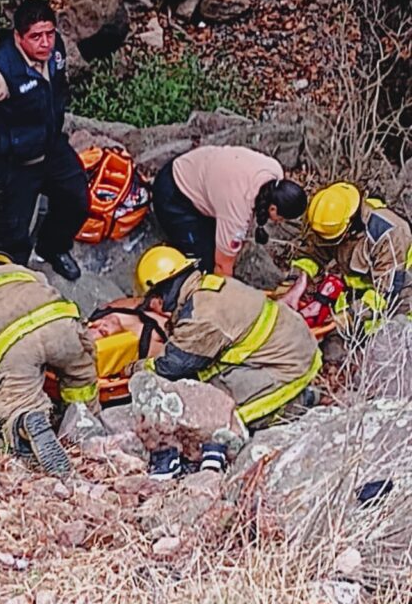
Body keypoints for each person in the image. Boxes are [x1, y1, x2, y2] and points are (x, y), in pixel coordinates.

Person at [133, 245, 322, 476]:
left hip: (287, 363)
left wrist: (139, 369)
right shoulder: (208, 287)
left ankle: (297, 402)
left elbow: (174, 365)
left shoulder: (201, 313)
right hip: (290, 345)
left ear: (159, 296)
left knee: (222, 412)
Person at [0, 0, 88, 282]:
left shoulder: (55, 51)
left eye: (49, 34)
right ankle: (10, 284)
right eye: (36, 37)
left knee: (77, 199)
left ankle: (53, 248)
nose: (45, 43)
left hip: (49, 145)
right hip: (12, 161)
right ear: (18, 37)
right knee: (10, 237)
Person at [0, 252, 99, 476]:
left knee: (17, 403)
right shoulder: (30, 274)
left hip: (15, 344)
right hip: (60, 326)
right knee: (80, 379)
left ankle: (27, 420)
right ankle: (85, 425)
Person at [152, 145, 307, 276]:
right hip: (175, 195)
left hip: (194, 165)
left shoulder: (274, 170)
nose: (281, 222)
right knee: (204, 265)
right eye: (283, 218)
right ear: (273, 208)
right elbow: (221, 267)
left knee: (218, 243)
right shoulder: (238, 210)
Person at [294, 181, 412, 335]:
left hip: (400, 298)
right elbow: (313, 254)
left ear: (348, 228)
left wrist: (349, 315)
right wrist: (296, 280)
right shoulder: (332, 219)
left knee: (385, 344)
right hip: (359, 293)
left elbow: (386, 292)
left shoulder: (388, 234)